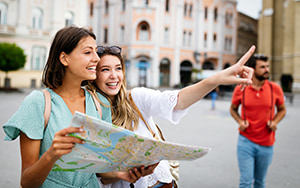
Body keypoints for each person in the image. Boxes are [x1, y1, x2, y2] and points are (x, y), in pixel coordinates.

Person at [85, 45, 256, 188]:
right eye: (105, 69)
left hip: (163, 183)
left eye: (118, 68)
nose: (114, 76)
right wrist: (122, 174)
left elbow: (178, 101)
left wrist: (215, 79)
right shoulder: (89, 111)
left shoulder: (135, 98)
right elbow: (97, 175)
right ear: (94, 75)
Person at [2, 26, 113, 187]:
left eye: (96, 51)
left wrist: (126, 173)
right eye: (88, 52)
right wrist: (52, 154)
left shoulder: (100, 103)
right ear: (64, 58)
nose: (97, 58)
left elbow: (101, 170)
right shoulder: (38, 103)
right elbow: (26, 182)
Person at [229, 54, 286, 188]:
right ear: (253, 70)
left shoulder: (274, 88)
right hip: (245, 142)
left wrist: (275, 122)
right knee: (245, 182)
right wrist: (240, 121)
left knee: (260, 183)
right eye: (262, 67)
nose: (266, 69)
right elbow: (233, 109)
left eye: (267, 66)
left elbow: (282, 110)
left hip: (267, 143)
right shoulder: (241, 88)